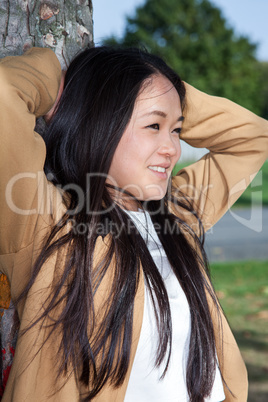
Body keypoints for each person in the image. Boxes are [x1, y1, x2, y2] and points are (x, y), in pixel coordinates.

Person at [0, 45, 267, 402]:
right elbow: (4, 91)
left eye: (176, 130)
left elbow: (253, 139)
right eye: (154, 125)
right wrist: (53, 76)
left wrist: (170, 95)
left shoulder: (178, 213)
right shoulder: (47, 222)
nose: (172, 148)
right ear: (100, 122)